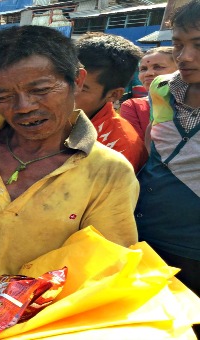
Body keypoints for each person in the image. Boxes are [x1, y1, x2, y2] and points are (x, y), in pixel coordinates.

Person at [0, 25, 139, 283]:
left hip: (48, 317)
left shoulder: (109, 171)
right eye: (5, 96)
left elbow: (105, 267)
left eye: (41, 90)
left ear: (76, 81)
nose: (24, 107)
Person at [135, 1, 200, 336]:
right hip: (144, 239)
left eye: (198, 46)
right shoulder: (162, 88)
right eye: (178, 44)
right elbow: (154, 142)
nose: (184, 57)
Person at [74, 32, 148, 173]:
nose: (64, 92)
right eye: (63, 80)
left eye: (82, 88)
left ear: (113, 95)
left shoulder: (119, 147)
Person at [120, 47, 177, 142]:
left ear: (180, 70)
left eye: (158, 67)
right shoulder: (134, 107)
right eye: (143, 69)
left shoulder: (194, 106)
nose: (148, 73)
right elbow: (138, 149)